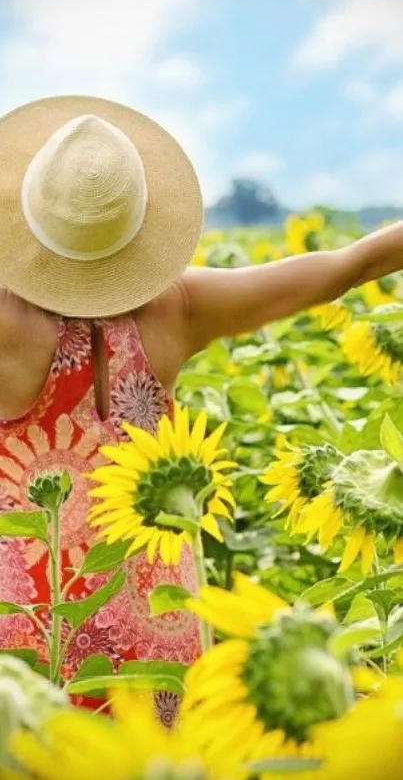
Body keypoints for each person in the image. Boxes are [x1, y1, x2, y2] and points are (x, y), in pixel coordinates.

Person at [0, 95, 402, 722]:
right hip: (157, 639)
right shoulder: (179, 308)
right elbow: (342, 268)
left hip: (30, 639)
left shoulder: (7, 322)